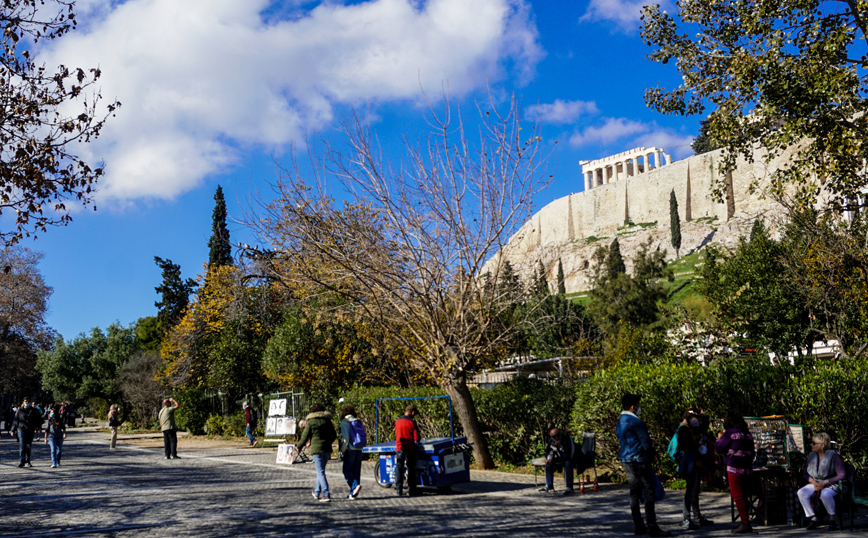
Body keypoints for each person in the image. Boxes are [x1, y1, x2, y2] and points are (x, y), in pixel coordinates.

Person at [616, 393, 671, 537]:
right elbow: (645, 441)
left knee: (634, 493)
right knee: (648, 492)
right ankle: (652, 526)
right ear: (633, 407)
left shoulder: (620, 420)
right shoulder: (636, 422)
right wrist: (652, 455)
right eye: (638, 405)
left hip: (626, 459)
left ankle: (638, 526)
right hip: (639, 459)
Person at [715, 413, 755, 534]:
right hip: (747, 467)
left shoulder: (730, 433)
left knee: (738, 496)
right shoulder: (747, 434)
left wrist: (718, 438)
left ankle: (745, 522)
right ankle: (745, 520)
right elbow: (753, 450)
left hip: (734, 467)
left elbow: (719, 448)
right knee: (745, 495)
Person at [797, 432, 846, 531]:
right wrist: (814, 482)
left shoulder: (833, 456)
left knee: (825, 494)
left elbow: (842, 475)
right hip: (816, 482)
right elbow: (805, 474)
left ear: (822, 445)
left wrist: (824, 483)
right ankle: (813, 518)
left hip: (831, 484)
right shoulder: (811, 456)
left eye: (814, 443)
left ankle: (833, 519)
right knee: (801, 492)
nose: (812, 445)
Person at [675, 410, 714, 530]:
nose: (695, 420)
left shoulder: (690, 429)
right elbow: (685, 446)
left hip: (695, 462)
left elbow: (702, 428)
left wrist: (705, 418)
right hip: (689, 463)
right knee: (690, 491)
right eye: (694, 418)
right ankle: (686, 518)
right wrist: (698, 444)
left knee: (695, 491)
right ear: (689, 417)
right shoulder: (682, 429)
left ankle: (697, 517)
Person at [296, 403, 337, 502]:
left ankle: (326, 494)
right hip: (327, 449)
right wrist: (328, 442)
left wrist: (299, 446)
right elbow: (334, 435)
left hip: (316, 450)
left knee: (320, 471)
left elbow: (305, 436)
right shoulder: (327, 421)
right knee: (321, 471)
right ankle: (316, 492)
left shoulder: (311, 421)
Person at [539, 428, 576, 495]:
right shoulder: (551, 440)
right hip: (560, 459)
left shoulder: (567, 440)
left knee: (568, 462)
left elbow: (568, 456)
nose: (556, 438)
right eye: (554, 436)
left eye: (558, 435)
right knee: (548, 463)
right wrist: (549, 459)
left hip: (573, 459)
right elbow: (548, 451)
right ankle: (549, 485)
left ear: (560, 434)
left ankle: (569, 487)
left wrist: (553, 460)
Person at [394, 404, 421, 497]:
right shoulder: (412, 422)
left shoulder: (397, 421)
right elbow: (416, 438)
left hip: (400, 447)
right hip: (410, 448)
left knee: (399, 467)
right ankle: (412, 489)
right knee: (411, 468)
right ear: (412, 413)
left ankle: (399, 489)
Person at [339, 404, 365, 499]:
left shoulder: (345, 422)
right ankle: (353, 494)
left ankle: (354, 487)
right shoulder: (358, 421)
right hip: (359, 448)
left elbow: (346, 438)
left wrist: (342, 450)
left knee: (346, 470)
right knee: (356, 471)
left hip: (350, 449)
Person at [10, 398, 44, 468]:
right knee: (22, 445)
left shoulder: (34, 410)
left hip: (30, 429)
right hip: (21, 429)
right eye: (26, 401)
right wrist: (12, 430)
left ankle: (27, 461)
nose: (27, 402)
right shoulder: (20, 410)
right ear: (23, 402)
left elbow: (38, 420)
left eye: (28, 401)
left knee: (28, 446)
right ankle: (21, 461)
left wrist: (39, 427)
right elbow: (16, 420)